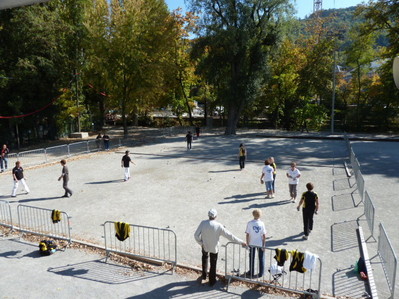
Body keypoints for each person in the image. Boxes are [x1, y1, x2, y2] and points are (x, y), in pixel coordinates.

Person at [194, 209, 246, 286]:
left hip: (204, 245)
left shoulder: (203, 223)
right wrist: (241, 242)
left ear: (208, 215)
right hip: (214, 247)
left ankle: (204, 275)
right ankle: (212, 281)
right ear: (216, 216)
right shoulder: (219, 226)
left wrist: (201, 243)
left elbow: (196, 235)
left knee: (204, 259)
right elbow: (230, 236)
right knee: (213, 263)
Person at [245, 209, 267, 278]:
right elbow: (264, 235)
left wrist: (247, 243)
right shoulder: (262, 223)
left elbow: (247, 234)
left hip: (251, 243)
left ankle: (251, 272)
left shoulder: (250, 223)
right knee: (261, 258)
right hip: (260, 243)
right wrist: (264, 245)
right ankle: (261, 272)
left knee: (251, 258)